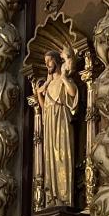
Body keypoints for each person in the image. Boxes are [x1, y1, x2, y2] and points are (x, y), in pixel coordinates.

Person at [33, 48, 79, 206]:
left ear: (57, 61)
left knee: (62, 156)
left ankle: (64, 198)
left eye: (49, 61)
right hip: (50, 125)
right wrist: (39, 93)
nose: (47, 65)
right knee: (50, 158)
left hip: (62, 123)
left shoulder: (62, 80)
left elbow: (72, 94)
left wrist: (65, 77)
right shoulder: (49, 83)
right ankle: (52, 197)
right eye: (45, 63)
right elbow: (45, 106)